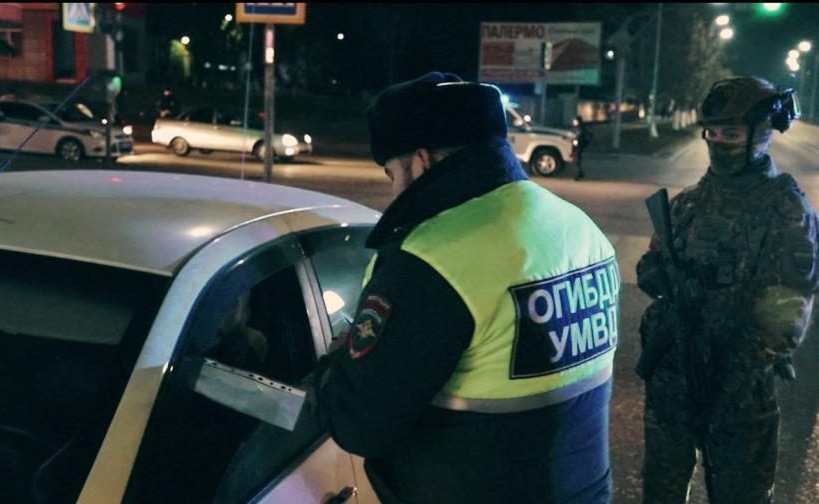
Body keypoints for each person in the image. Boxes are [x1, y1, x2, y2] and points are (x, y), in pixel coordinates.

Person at [313, 72, 619, 503]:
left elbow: (359, 422)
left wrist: (334, 365)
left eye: (392, 174)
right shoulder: (578, 227)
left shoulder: (432, 260)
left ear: (423, 161)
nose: (394, 190)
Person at [636, 76, 818, 503]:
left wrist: (739, 369)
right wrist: (661, 277)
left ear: (763, 133)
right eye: (713, 133)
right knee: (660, 490)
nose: (719, 142)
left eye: (731, 133)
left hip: (737, 390)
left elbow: (789, 304)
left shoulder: (785, 207)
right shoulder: (686, 203)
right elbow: (649, 268)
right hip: (673, 382)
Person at [573, 115, 593, 181]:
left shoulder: (581, 128)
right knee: (577, 161)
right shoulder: (579, 128)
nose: (574, 122)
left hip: (579, 146)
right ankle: (581, 173)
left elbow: (579, 137)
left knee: (577, 161)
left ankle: (578, 175)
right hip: (578, 146)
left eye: (575, 121)